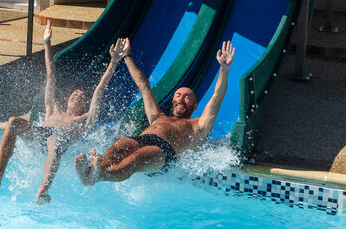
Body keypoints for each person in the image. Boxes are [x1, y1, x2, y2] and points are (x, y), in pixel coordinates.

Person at [0, 25, 126, 203]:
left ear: (86, 104)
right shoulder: (53, 108)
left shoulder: (85, 120)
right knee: (14, 121)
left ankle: (43, 191)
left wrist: (114, 62)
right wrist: (47, 42)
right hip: (38, 136)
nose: (78, 97)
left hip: (57, 144)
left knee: (55, 141)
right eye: (75, 94)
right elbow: (50, 74)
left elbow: (100, 89)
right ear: (68, 98)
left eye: (83, 97)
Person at [76, 39, 235, 185]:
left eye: (187, 97)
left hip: (165, 153)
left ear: (194, 106)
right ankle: (91, 173)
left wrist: (224, 68)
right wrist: (127, 56)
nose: (181, 98)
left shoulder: (198, 125)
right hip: (142, 139)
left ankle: (99, 176)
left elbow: (216, 97)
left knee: (136, 158)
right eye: (178, 95)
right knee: (119, 145)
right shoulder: (158, 116)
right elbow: (143, 86)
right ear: (173, 101)